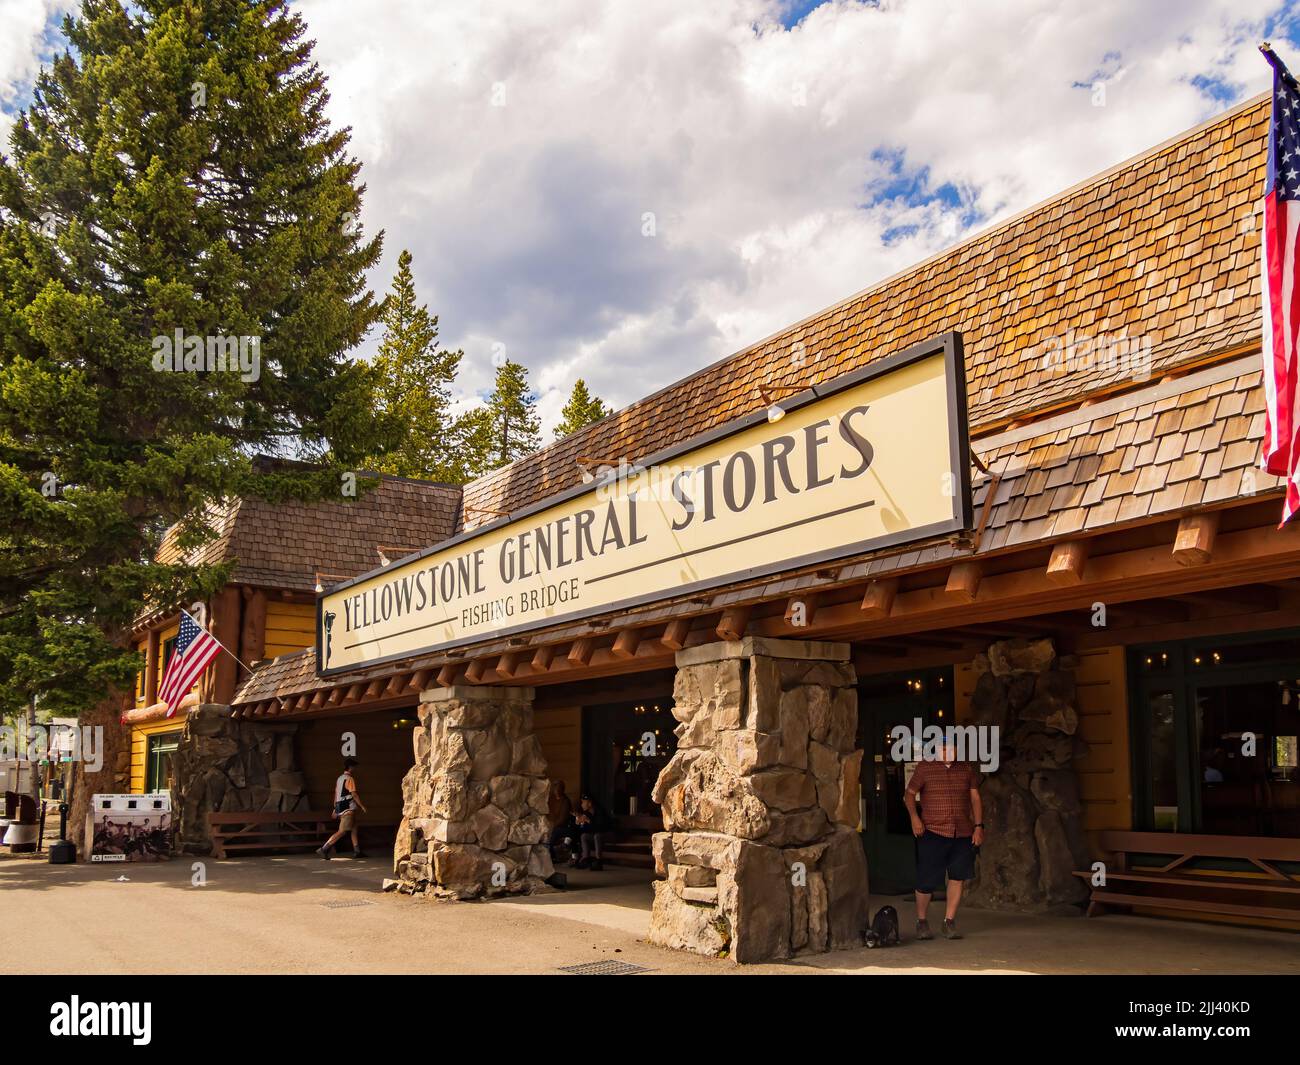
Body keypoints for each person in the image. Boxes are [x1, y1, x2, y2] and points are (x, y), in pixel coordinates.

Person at [903, 741, 984, 941]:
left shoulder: (965, 768)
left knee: (958, 877)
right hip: (932, 830)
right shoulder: (925, 767)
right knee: (926, 880)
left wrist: (979, 826)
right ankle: (922, 921)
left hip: (962, 832)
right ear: (937, 750)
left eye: (951, 748)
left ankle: (949, 921)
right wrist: (915, 818)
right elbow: (909, 794)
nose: (947, 752)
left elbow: (975, 798)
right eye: (943, 748)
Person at [318, 757, 366, 860]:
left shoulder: (339, 778)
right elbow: (354, 794)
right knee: (342, 831)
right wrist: (361, 806)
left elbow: (336, 794)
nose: (354, 769)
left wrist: (335, 808)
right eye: (354, 767)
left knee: (353, 828)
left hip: (340, 807)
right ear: (351, 767)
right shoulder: (350, 779)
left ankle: (357, 851)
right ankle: (324, 848)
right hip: (348, 808)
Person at [571, 793, 610, 871]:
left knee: (597, 836)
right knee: (584, 836)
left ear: (589, 803)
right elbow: (586, 830)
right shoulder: (586, 813)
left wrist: (589, 821)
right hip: (596, 835)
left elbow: (600, 828)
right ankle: (586, 858)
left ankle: (599, 861)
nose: (581, 805)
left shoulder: (599, 811)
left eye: (583, 802)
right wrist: (579, 823)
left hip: (607, 834)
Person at [547, 780, 574, 862]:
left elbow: (563, 818)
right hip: (551, 824)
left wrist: (552, 825)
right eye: (555, 789)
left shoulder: (565, 801)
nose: (557, 791)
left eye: (559, 789)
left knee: (554, 833)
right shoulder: (551, 799)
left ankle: (552, 856)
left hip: (562, 826)